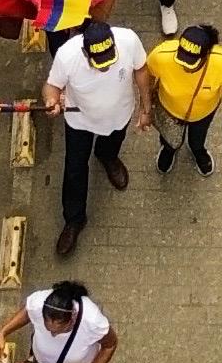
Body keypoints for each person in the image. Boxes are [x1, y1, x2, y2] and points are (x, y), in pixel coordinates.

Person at [43, 15, 150, 258]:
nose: (105, 66)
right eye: (98, 62)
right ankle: (74, 219)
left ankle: (107, 157)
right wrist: (50, 101)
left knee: (111, 145)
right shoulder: (66, 55)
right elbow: (52, 86)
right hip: (79, 121)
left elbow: (141, 70)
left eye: (109, 59)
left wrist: (147, 108)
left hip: (119, 115)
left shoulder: (129, 40)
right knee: (74, 169)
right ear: (84, 50)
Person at [0, 277, 117, 363]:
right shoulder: (38, 303)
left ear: (72, 319)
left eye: (59, 330)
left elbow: (110, 345)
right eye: (48, 329)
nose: (53, 335)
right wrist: (2, 333)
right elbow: (26, 313)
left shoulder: (92, 321)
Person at [146, 19, 222, 181]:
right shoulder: (161, 55)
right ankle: (168, 150)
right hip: (168, 110)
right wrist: (145, 107)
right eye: (182, 59)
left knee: (197, 139)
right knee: (168, 139)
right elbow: (148, 77)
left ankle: (198, 151)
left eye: (191, 63)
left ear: (206, 56)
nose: (185, 67)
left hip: (203, 113)